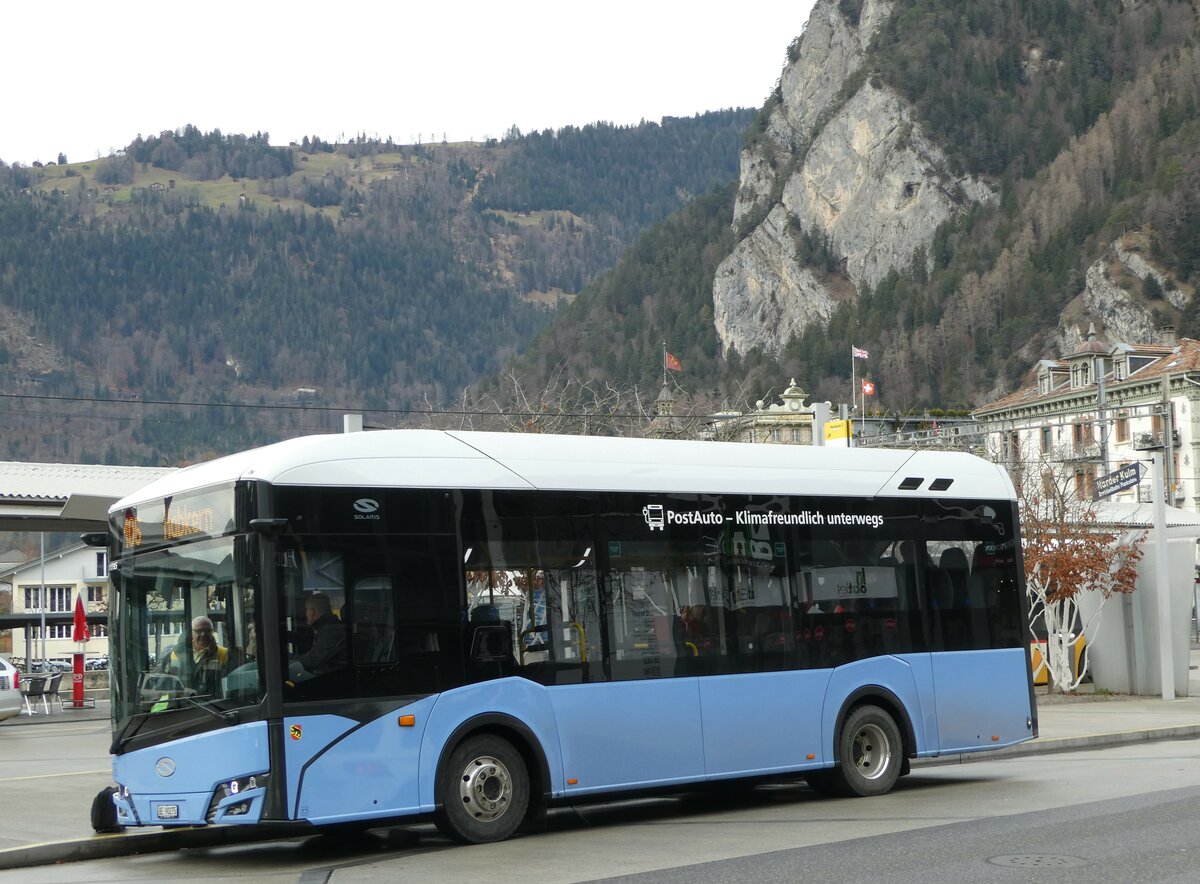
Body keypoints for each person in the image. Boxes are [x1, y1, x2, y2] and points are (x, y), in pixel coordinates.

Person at [162, 615, 230, 696]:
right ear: (191, 632)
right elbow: (165, 684)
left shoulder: (223, 654)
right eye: (199, 631)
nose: (203, 634)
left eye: (208, 630)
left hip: (211, 706)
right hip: (181, 706)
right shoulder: (174, 654)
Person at [292, 592, 348, 678]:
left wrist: (289, 662)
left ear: (313, 612)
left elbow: (313, 660)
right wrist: (289, 636)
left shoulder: (330, 631)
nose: (306, 614)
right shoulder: (328, 627)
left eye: (306, 610)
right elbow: (309, 641)